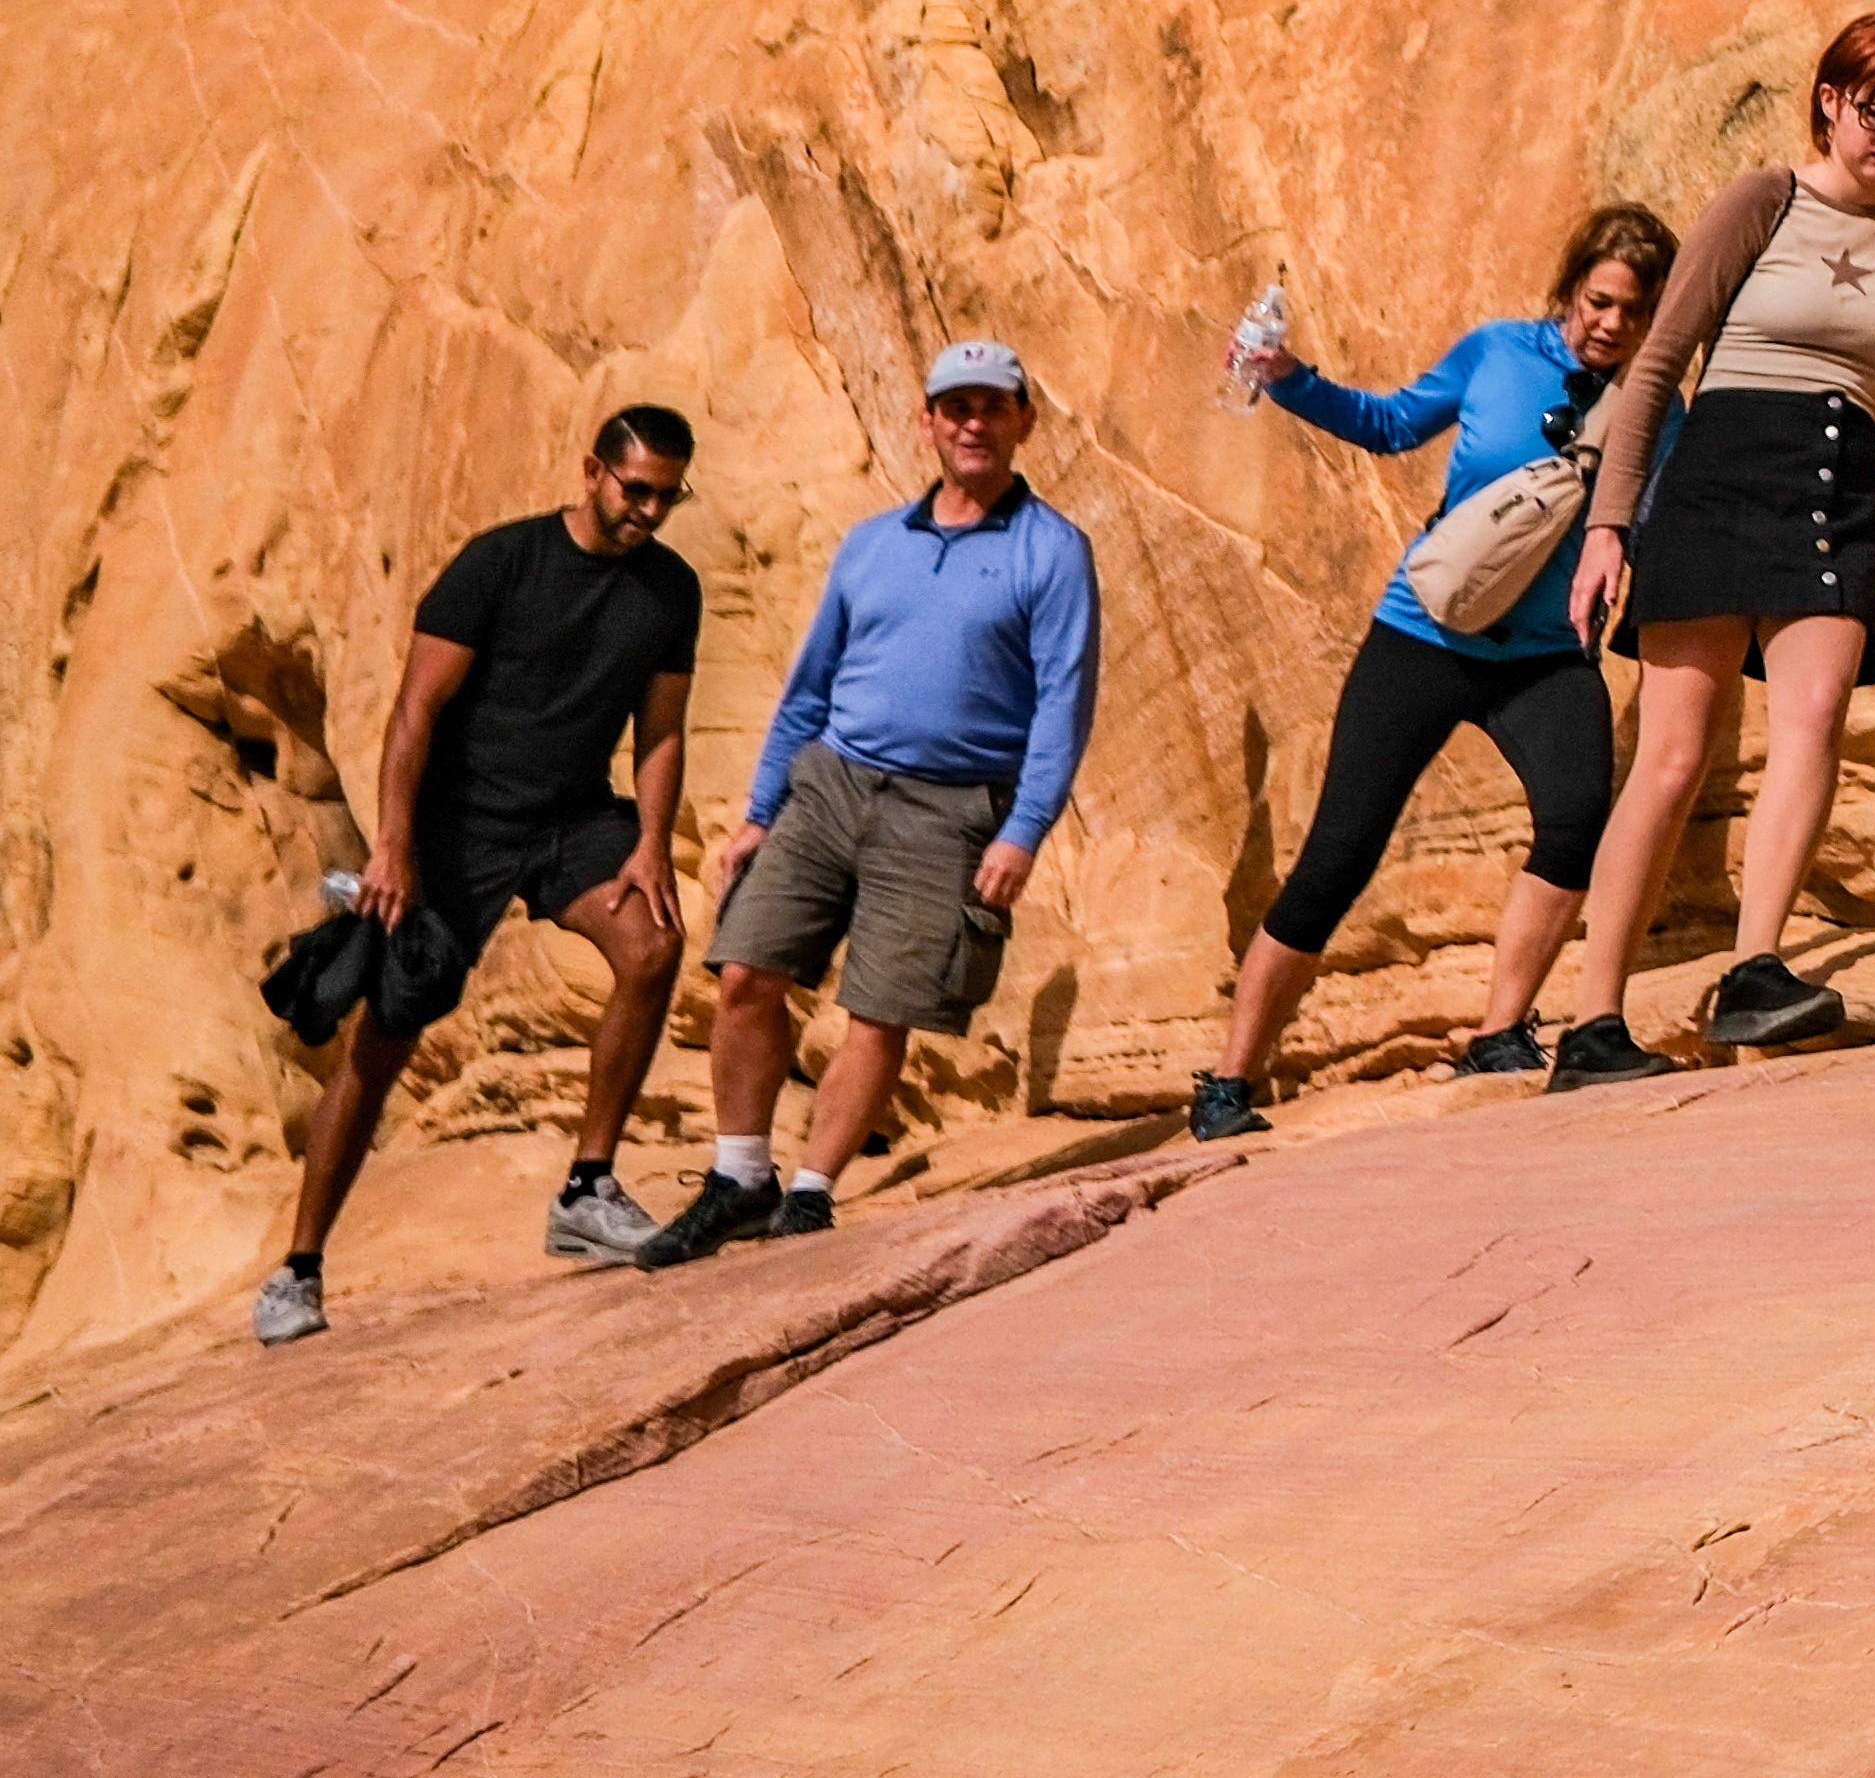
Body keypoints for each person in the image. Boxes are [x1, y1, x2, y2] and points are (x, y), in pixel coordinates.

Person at [1185, 205, 1676, 1140]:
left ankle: (1498, 1033)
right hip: (1424, 638)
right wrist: (1286, 378)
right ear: (1573, 285)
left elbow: (1656, 524)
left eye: (1634, 311)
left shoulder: (1657, 405)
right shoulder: (1497, 352)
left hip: (1544, 658)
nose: (1611, 323)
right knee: (1338, 857)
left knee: (1576, 823)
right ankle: (1227, 1080)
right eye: (1599, 300)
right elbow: (1390, 424)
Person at [1550, 26, 1875, 1080]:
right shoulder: (1761, 199)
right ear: (1829, 98)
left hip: (1835, 477)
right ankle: (1592, 1024)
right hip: (1724, 466)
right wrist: (1609, 527)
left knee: (1817, 712)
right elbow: (1656, 367)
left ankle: (1754, 970)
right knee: (1675, 755)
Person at [631, 341, 1100, 1262]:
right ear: (925, 423)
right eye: (954, 407)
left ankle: (809, 1193)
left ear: (1023, 422)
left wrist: (1023, 832)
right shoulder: (873, 542)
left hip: (951, 808)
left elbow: (1064, 706)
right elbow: (810, 687)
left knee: (879, 1009)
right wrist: (761, 810)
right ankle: (739, 1178)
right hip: (831, 785)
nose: (973, 423)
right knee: (744, 973)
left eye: (992, 407)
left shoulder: (1054, 552)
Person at [259, 407, 704, 1341]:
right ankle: (298, 1271)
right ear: (592, 471)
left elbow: (660, 731)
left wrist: (651, 842)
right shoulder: (499, 564)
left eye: (669, 495)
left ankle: (588, 1191)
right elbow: (415, 711)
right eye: (637, 490)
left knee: (653, 945)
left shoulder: (670, 591)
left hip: (573, 822)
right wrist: (391, 846)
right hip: (457, 833)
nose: (651, 511)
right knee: (385, 1037)